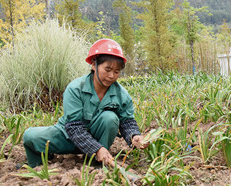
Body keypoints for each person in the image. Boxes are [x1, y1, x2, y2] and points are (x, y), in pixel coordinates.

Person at [23, 39, 149, 167]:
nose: (111, 75)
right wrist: (95, 149)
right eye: (107, 69)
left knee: (109, 118)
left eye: (116, 72)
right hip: (68, 137)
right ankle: (38, 165)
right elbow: (74, 127)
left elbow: (127, 121)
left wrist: (133, 136)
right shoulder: (75, 88)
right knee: (30, 135)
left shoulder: (122, 94)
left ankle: (97, 163)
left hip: (98, 140)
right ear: (94, 65)